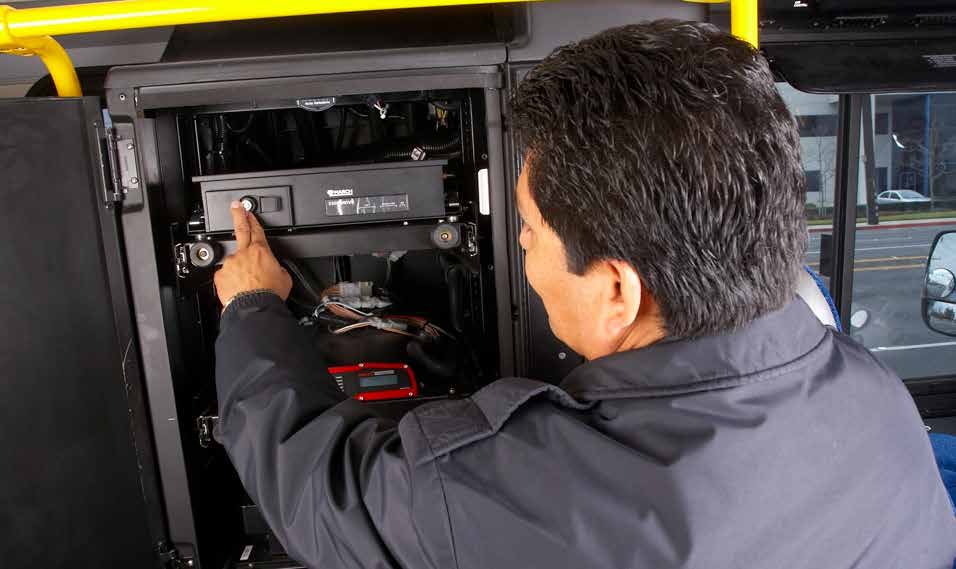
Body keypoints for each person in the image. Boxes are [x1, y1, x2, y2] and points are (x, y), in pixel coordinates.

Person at [212, 20, 956, 569]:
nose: (524, 252)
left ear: (616, 290)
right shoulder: (877, 396)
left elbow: (320, 492)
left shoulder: (528, 496)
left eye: (530, 234)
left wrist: (252, 308)